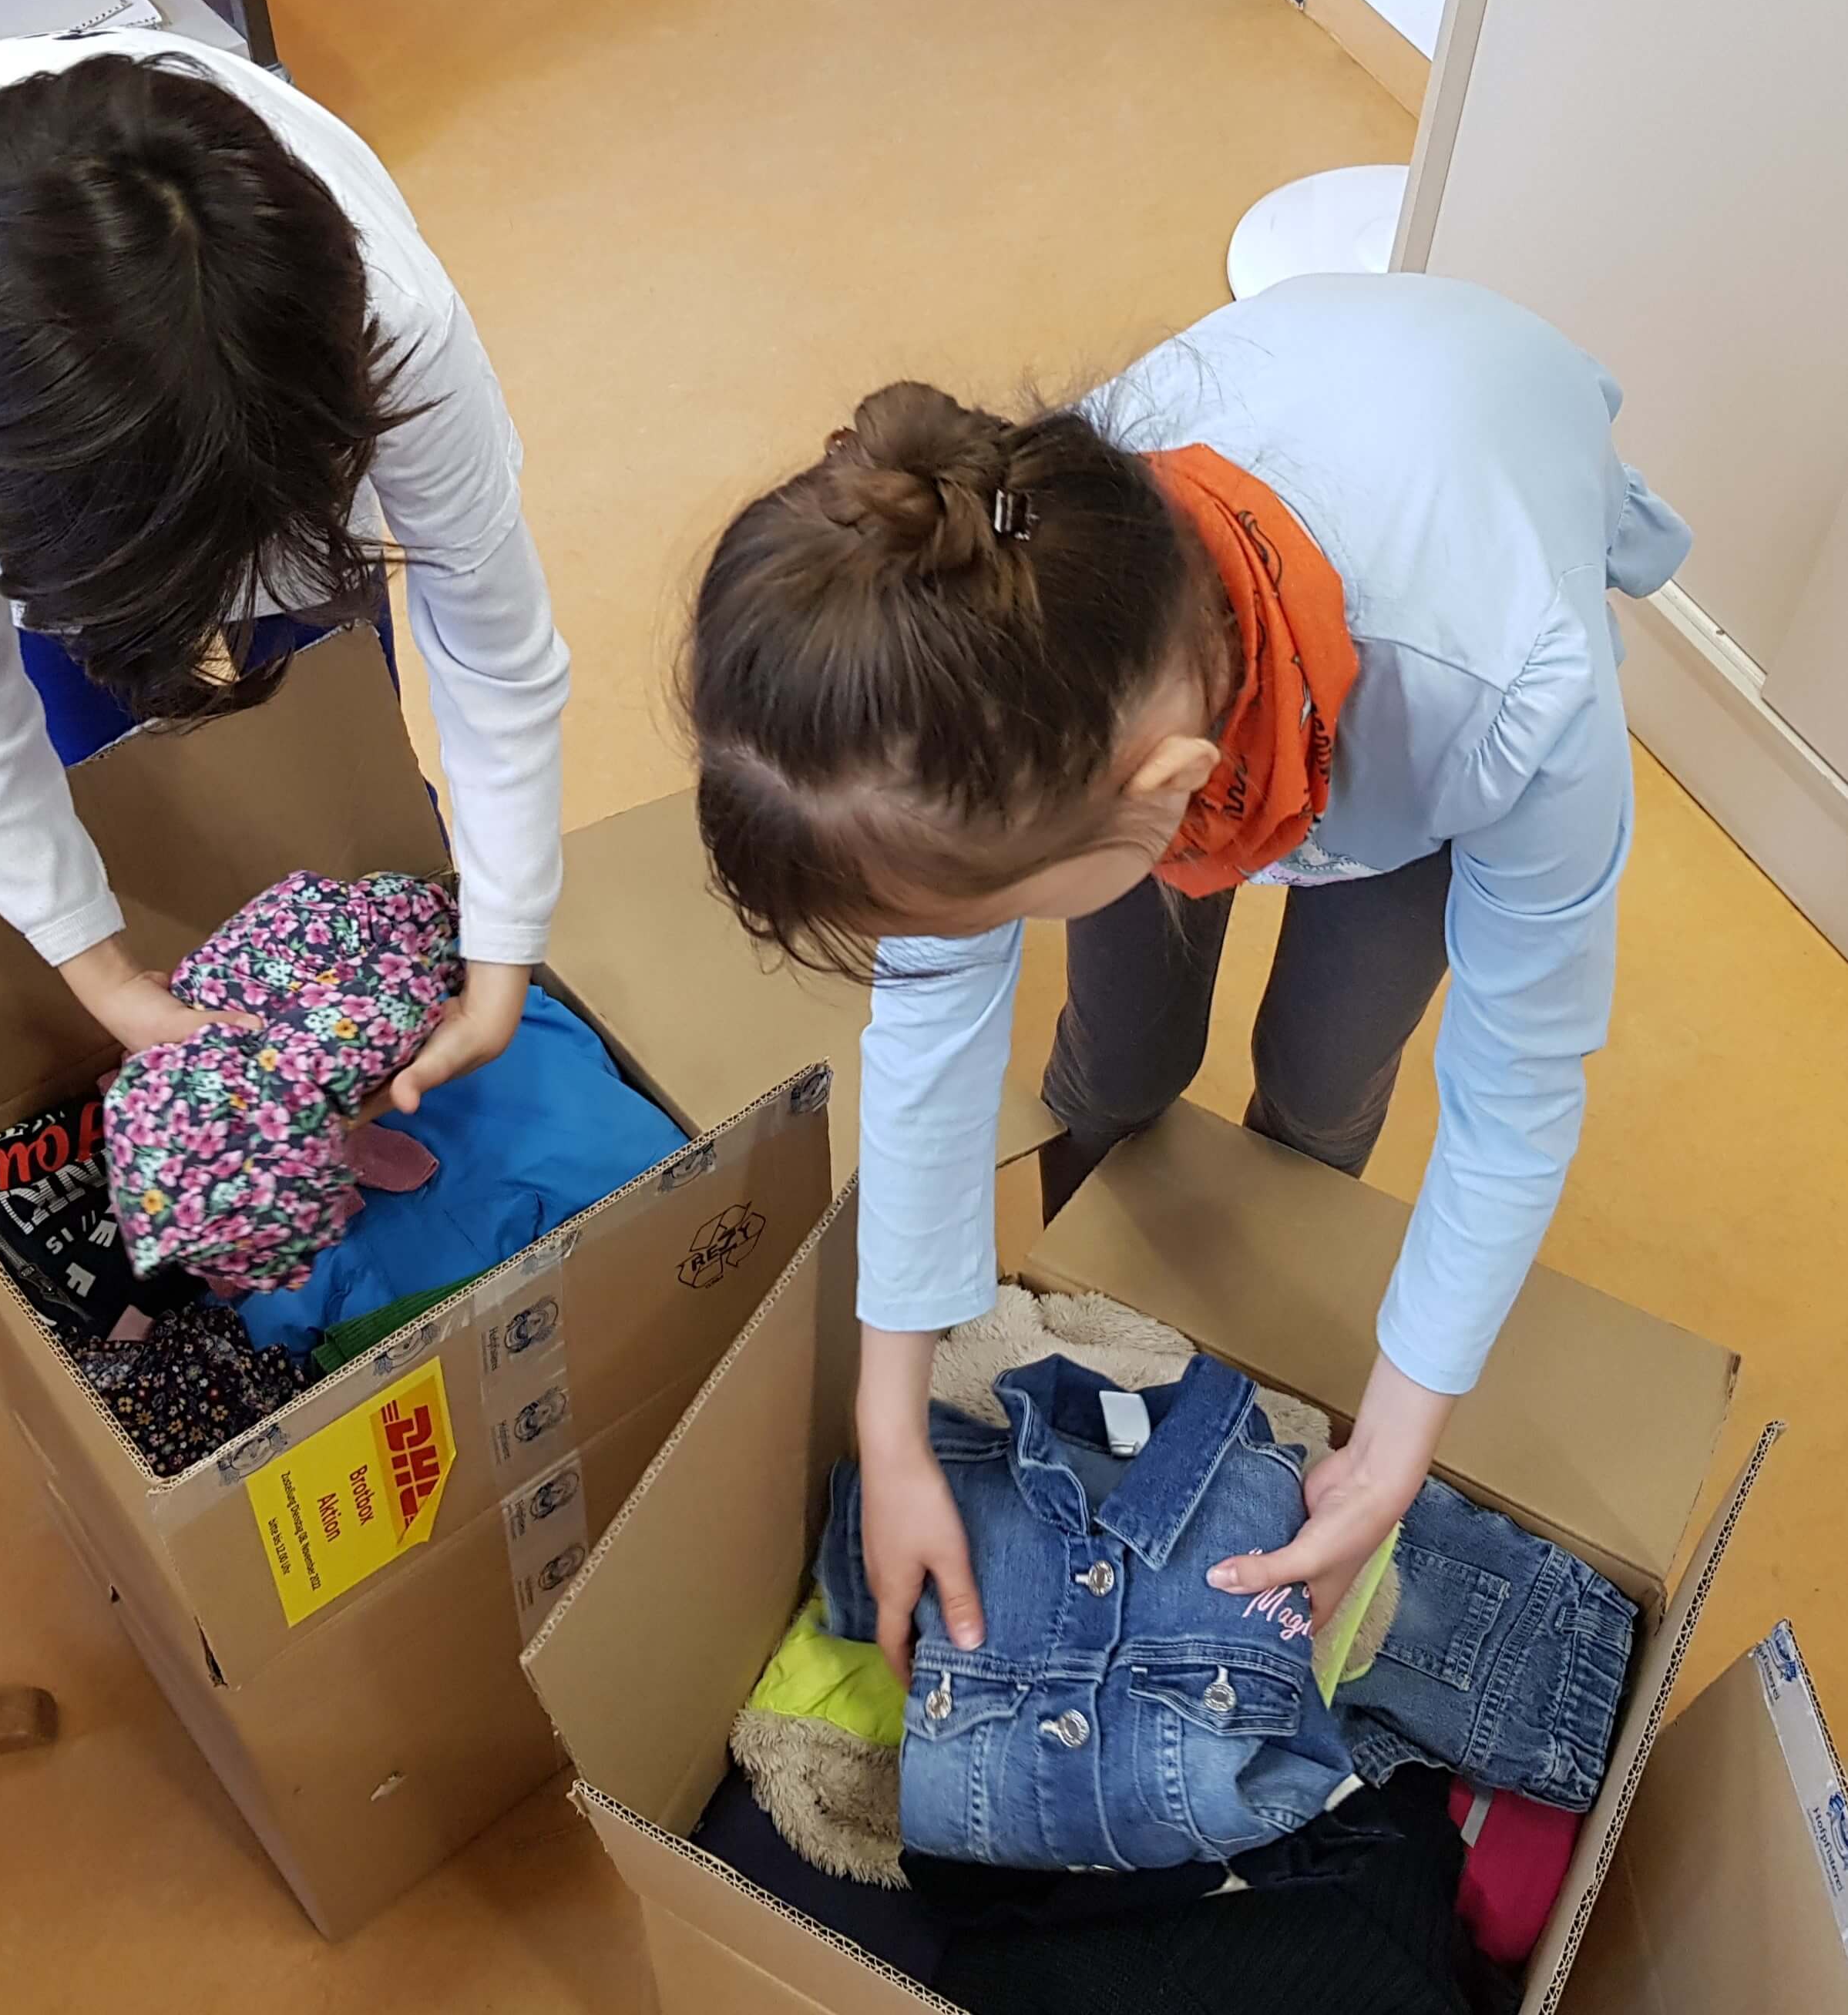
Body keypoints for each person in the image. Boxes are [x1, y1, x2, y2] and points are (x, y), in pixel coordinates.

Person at [680, 274, 1690, 1677]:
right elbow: (928, 1018)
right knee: (1118, 1052)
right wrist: (891, 1425)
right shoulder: (1009, 616)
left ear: (1165, 796)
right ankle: (1102, 1230)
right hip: (1233, 625)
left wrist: (1391, 1451)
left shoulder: (1515, 695)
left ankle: (1268, 1272)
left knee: (1327, 1077)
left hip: (1432, 638)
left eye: (996, 909)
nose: (961, 944)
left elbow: (1516, 1090)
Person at [0, 37, 567, 1101]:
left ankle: (392, 906)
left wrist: (502, 949)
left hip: (260, 374)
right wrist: (97, 968)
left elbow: (493, 645)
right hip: (19, 432)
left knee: (338, 710)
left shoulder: (389, 330)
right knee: (99, 753)